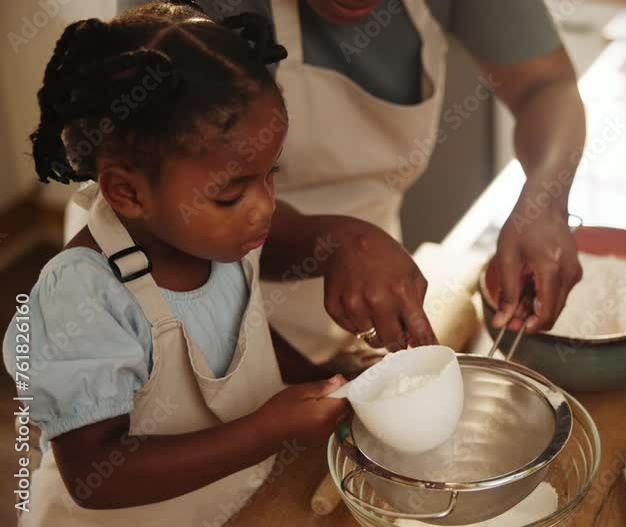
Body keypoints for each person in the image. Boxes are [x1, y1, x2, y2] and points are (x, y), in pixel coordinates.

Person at [0, 3, 424, 523]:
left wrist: (318, 374)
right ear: (128, 192)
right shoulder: (84, 297)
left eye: (270, 175)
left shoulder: (216, 244)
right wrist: (269, 430)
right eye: (230, 194)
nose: (265, 206)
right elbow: (98, 474)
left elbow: (241, 331)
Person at [105, 0, 588, 369]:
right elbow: (174, 215)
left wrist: (544, 198)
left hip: (359, 310)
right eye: (236, 189)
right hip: (181, 312)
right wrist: (332, 242)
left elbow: (545, 86)